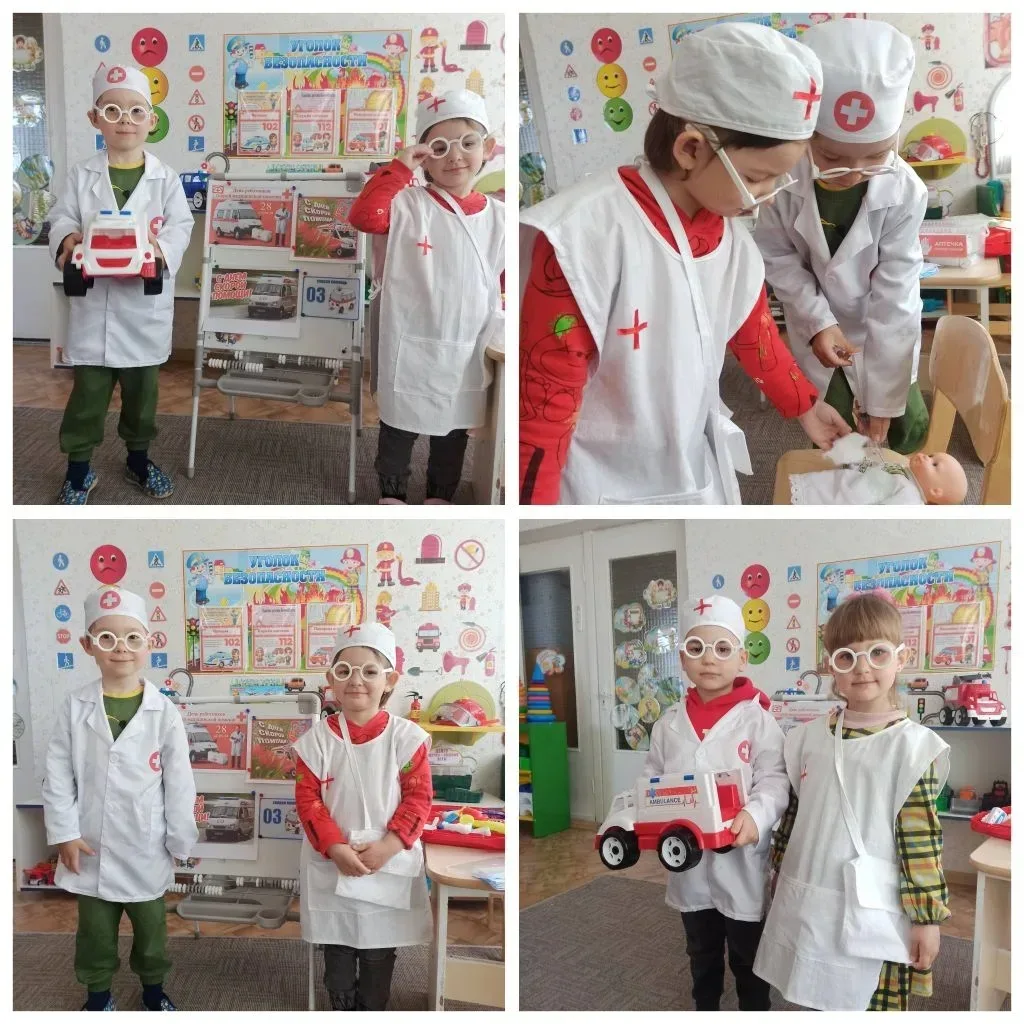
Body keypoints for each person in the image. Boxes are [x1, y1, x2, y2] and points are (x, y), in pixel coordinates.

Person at [519, 23, 851, 505]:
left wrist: (805, 405)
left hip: (688, 449)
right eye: (756, 178)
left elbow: (752, 330)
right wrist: (532, 506)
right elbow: (545, 393)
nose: (764, 197)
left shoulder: (727, 235)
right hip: (597, 470)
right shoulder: (583, 236)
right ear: (690, 148)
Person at [754, 592, 951, 1010]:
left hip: (876, 906)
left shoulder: (913, 748)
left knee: (869, 1000)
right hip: (810, 892)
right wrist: (777, 868)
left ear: (901, 658)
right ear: (831, 667)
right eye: (847, 657)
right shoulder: (805, 738)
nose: (863, 668)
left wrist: (926, 917)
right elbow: (793, 815)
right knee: (813, 988)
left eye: (877, 653)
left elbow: (920, 842)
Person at [755, 20, 928, 454]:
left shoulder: (905, 191)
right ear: (806, 136)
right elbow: (775, 256)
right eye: (832, 156)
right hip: (817, 329)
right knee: (836, 437)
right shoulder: (779, 179)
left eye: (877, 155)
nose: (853, 173)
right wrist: (817, 321)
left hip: (881, 331)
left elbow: (897, 291)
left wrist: (885, 395)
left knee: (902, 427)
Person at [42, 586, 197, 1011]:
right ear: (87, 645)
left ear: (149, 644)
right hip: (89, 846)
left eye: (132, 637)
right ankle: (98, 996)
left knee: (152, 932)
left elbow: (181, 783)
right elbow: (57, 775)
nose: (121, 648)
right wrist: (64, 834)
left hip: (147, 845)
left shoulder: (164, 712)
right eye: (107, 638)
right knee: (94, 934)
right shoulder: (75, 707)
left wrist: (181, 839)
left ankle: (153, 991)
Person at [350, 90, 504, 505]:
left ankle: (441, 492)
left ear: (488, 148)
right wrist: (401, 168)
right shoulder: (407, 203)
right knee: (399, 423)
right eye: (440, 147)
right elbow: (364, 217)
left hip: (466, 341)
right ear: (425, 155)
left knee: (454, 426)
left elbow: (504, 279)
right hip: (409, 335)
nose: (455, 156)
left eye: (468, 143)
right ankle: (392, 491)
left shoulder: (500, 216)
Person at [49, 64, 194, 504]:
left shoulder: (166, 179)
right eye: (112, 111)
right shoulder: (81, 175)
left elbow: (181, 226)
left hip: (143, 310)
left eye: (135, 111)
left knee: (142, 396)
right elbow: (62, 217)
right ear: (95, 119)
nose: (125, 120)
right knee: (88, 395)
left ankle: (138, 460)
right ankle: (78, 471)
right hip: (94, 310)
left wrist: (157, 250)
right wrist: (67, 239)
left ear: (152, 120)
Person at [643, 596, 788, 1011]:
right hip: (689, 864)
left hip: (742, 860)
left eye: (722, 649)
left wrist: (755, 815)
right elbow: (652, 779)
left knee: (748, 956)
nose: (709, 659)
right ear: (682, 659)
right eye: (696, 648)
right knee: (701, 951)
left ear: (742, 658)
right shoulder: (668, 724)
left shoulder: (758, 720)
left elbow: (774, 779)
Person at [292, 622, 433, 1010]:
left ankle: (372, 1008)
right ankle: (341, 1005)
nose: (356, 680)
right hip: (333, 861)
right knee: (337, 946)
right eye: (345, 671)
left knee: (377, 951)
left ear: (390, 680)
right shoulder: (316, 741)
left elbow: (419, 798)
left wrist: (389, 845)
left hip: (386, 861)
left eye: (369, 671)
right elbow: (308, 800)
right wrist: (335, 847)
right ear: (331, 681)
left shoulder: (407, 739)